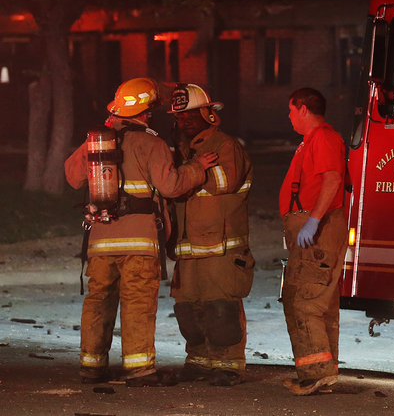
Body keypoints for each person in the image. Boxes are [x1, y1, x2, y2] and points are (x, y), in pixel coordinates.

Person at [64, 78, 217, 386]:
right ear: (145, 111)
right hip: (139, 241)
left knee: (98, 301)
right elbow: (171, 186)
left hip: (99, 240)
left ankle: (91, 367)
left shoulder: (97, 142)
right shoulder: (152, 143)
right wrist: (198, 168)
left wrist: (91, 143)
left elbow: (71, 176)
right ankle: (139, 370)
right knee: (137, 304)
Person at [168, 83, 254, 387]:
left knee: (221, 309)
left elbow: (223, 182)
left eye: (191, 115)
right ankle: (199, 361)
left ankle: (230, 365)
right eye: (180, 117)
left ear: (209, 114)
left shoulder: (225, 145)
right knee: (188, 310)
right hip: (189, 250)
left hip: (221, 248)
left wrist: (189, 171)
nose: (184, 121)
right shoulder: (182, 150)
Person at [279, 87, 349, 395]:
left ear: (304, 109)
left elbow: (333, 178)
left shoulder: (322, 137)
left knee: (304, 301)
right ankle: (322, 372)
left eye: (292, 110)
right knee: (318, 304)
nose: (290, 116)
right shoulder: (313, 140)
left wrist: (313, 220)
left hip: (317, 232)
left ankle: (315, 372)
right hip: (313, 230)